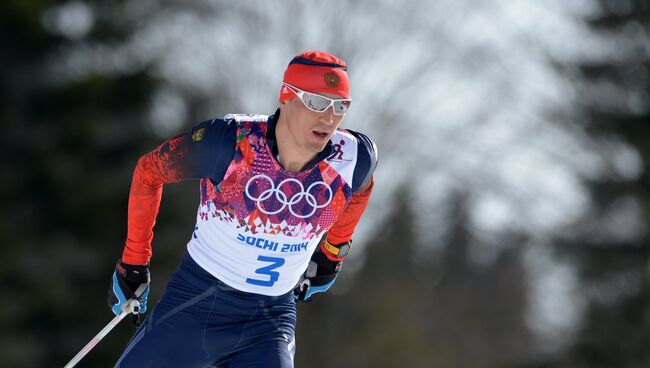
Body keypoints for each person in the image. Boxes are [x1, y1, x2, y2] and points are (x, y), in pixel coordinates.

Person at [108, 50, 378, 367]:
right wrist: (133, 263)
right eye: (317, 103)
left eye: (340, 106)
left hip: (268, 323)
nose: (329, 118)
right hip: (196, 305)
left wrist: (334, 251)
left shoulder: (353, 158)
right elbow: (149, 171)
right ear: (286, 97)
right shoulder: (228, 143)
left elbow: (362, 188)